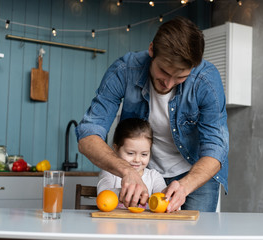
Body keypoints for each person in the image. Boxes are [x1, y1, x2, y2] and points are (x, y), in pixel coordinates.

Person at [76, 16, 229, 212]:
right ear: (151, 50)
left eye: (180, 77)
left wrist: (185, 185)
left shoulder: (206, 81)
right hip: (148, 171)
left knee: (194, 232)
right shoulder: (124, 71)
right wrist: (127, 170)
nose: (169, 83)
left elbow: (216, 148)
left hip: (194, 172)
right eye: (164, 71)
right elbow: (88, 135)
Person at [97, 118, 167, 209]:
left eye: (144, 154)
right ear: (116, 149)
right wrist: (128, 191)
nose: (137, 160)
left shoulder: (154, 176)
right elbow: (102, 194)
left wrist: (171, 200)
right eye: (130, 153)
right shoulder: (109, 172)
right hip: (114, 222)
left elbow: (165, 199)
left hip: (146, 223)